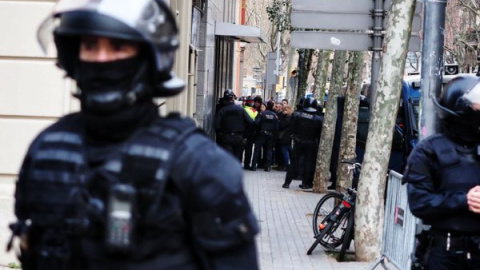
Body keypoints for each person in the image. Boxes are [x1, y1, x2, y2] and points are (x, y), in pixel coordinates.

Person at [8, 1, 259, 270]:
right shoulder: (47, 150)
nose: (101, 59)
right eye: (90, 46)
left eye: (117, 46)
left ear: (148, 57)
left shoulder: (200, 165)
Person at [403, 75, 480, 270]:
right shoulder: (428, 151)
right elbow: (419, 203)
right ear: (462, 110)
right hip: (443, 254)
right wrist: (464, 201)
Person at [285, 97, 323, 189]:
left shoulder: (297, 115)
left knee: (293, 162)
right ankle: (305, 184)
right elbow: (319, 133)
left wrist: (294, 137)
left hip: (299, 141)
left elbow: (291, 128)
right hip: (311, 143)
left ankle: (287, 183)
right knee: (308, 164)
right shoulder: (318, 119)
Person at [214, 89, 253, 161]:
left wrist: (220, 136)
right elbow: (250, 122)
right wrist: (245, 135)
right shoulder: (241, 109)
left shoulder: (222, 110)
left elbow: (216, 125)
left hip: (226, 137)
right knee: (237, 156)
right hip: (239, 137)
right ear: (233, 98)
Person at [251, 100, 278, 172]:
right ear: (272, 106)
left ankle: (253, 166)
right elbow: (276, 127)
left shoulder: (262, 114)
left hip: (261, 134)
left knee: (257, 150)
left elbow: (256, 123)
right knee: (269, 150)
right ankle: (267, 167)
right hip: (270, 135)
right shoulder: (274, 115)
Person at [242, 96, 258, 170]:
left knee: (241, 149)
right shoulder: (255, 111)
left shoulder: (242, 110)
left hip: (242, 132)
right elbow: (255, 123)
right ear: (252, 103)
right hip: (251, 133)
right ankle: (246, 164)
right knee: (249, 150)